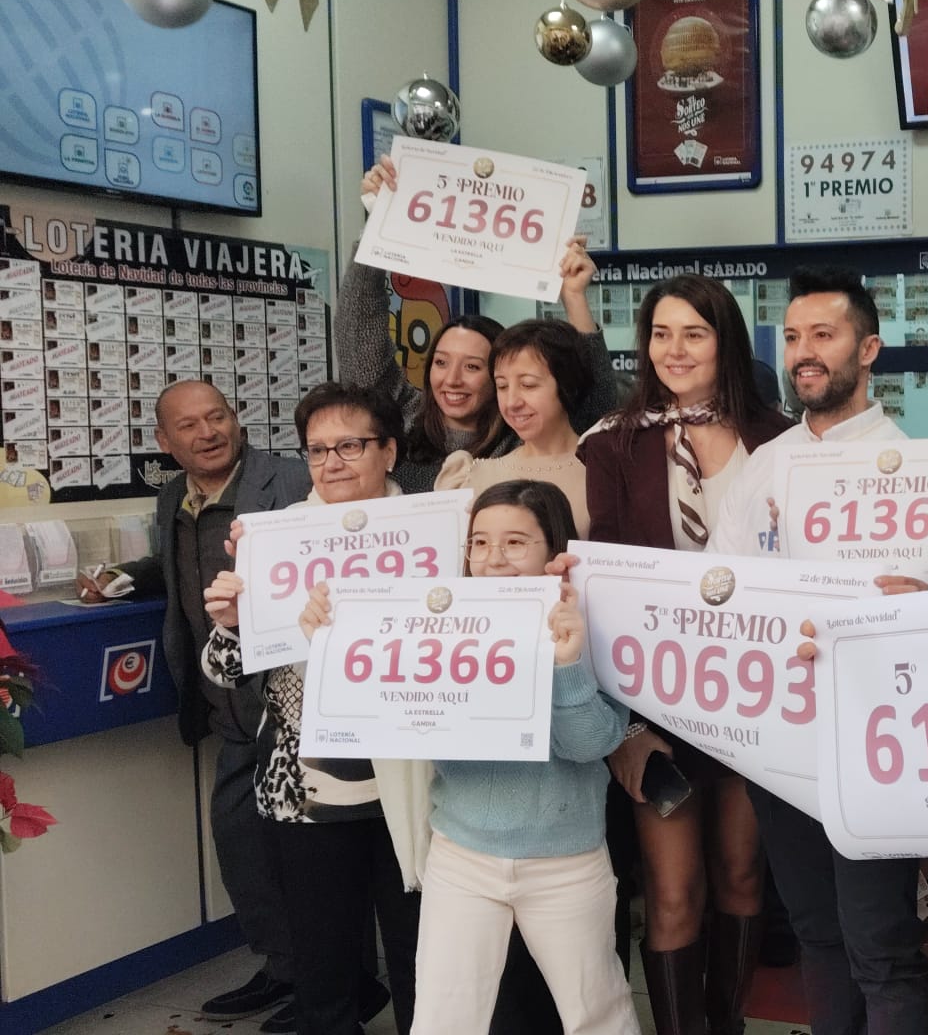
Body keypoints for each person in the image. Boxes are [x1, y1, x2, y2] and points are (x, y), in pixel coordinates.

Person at [297, 480, 641, 1035]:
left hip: (565, 860)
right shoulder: (442, 624)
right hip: (462, 856)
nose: (492, 560)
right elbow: (379, 717)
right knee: (444, 1016)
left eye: (514, 543)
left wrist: (566, 664)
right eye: (479, 543)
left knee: (595, 1011)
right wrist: (330, 647)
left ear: (553, 550)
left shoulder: (587, 620)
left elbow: (590, 745)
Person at [704, 267, 928, 1035]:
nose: (805, 353)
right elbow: (728, 588)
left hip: (877, 740)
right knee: (816, 934)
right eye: (794, 337)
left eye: (824, 336)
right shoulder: (763, 466)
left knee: (883, 944)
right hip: (784, 739)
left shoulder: (920, 473)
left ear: (868, 349)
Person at [577, 274, 794, 1035]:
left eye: (693, 334)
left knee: (741, 874)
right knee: (672, 891)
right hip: (655, 699)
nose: (674, 350)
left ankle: (725, 1023)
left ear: (724, 341)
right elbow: (604, 566)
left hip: (752, 693)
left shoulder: (779, 438)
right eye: (661, 334)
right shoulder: (612, 441)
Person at [76, 380, 309, 1030]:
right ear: (164, 441)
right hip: (227, 705)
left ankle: (335, 982)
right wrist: (122, 580)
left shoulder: (288, 481)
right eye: (189, 425)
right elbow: (179, 563)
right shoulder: (175, 494)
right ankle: (288, 967)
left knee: (313, 854)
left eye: (218, 417)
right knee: (243, 841)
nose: (207, 432)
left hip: (293, 702)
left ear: (237, 420)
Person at [199, 383, 424, 1035]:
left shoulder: (438, 533)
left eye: (350, 446)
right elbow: (223, 669)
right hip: (304, 787)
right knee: (323, 966)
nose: (332, 463)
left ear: (389, 450)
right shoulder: (277, 539)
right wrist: (236, 624)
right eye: (318, 449)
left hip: (412, 782)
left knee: (421, 960)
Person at [342, 157, 623, 492]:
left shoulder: (526, 432)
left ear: (498, 378)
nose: (452, 379)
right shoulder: (402, 421)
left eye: (473, 366)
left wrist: (574, 297)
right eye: (442, 362)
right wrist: (378, 221)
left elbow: (599, 409)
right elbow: (358, 335)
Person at [436, 320, 597, 538]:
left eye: (528, 385)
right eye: (502, 386)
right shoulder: (474, 477)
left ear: (567, 385)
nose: (512, 402)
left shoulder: (603, 473)